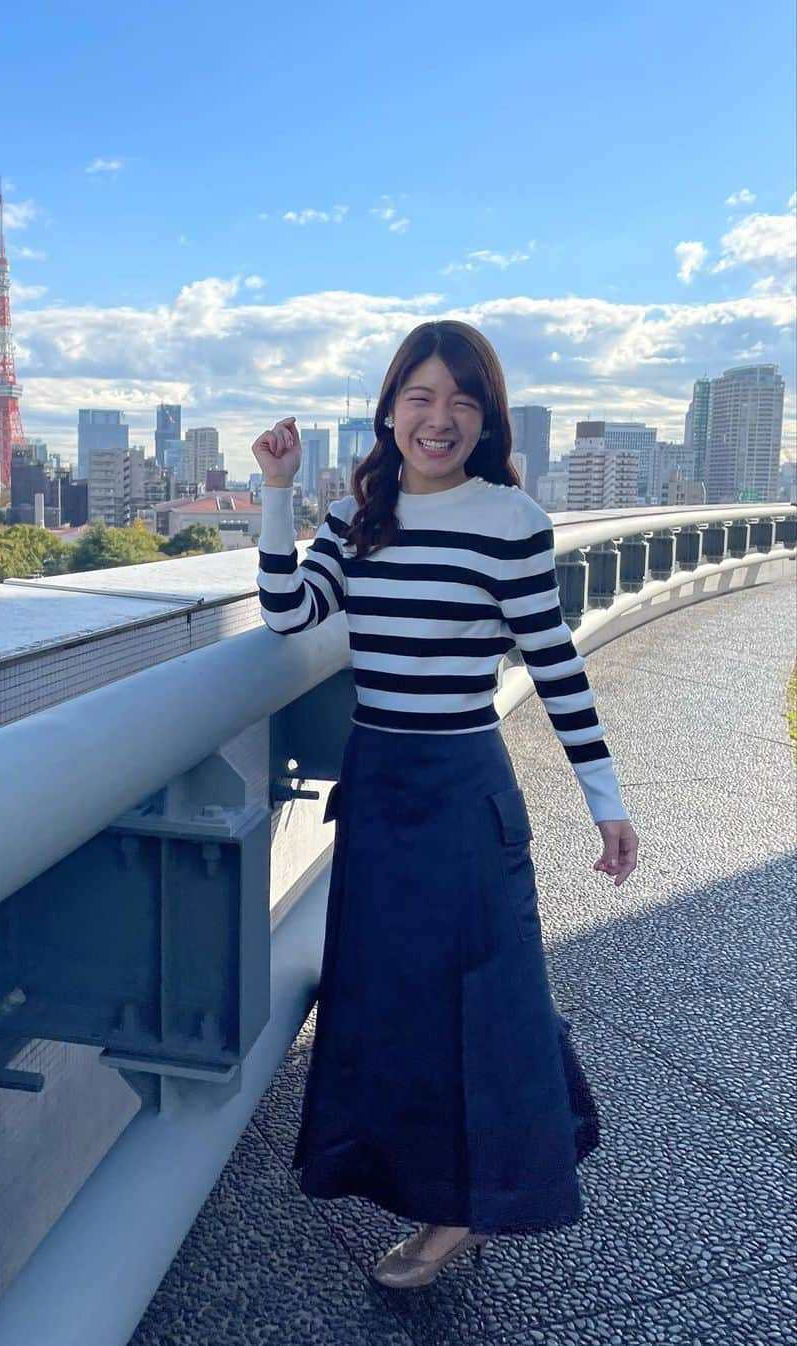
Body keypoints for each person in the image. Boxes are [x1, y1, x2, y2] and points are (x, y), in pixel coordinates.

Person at [251, 319, 639, 1290]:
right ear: (389, 411)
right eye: (421, 396)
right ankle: (448, 1170)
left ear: (485, 418)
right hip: (380, 783)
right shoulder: (359, 515)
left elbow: (554, 664)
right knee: (390, 1001)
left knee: (491, 995)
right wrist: (275, 493)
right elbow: (288, 611)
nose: (441, 416)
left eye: (463, 400)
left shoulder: (509, 519)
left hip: (467, 786)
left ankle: (465, 1203)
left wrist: (607, 799)